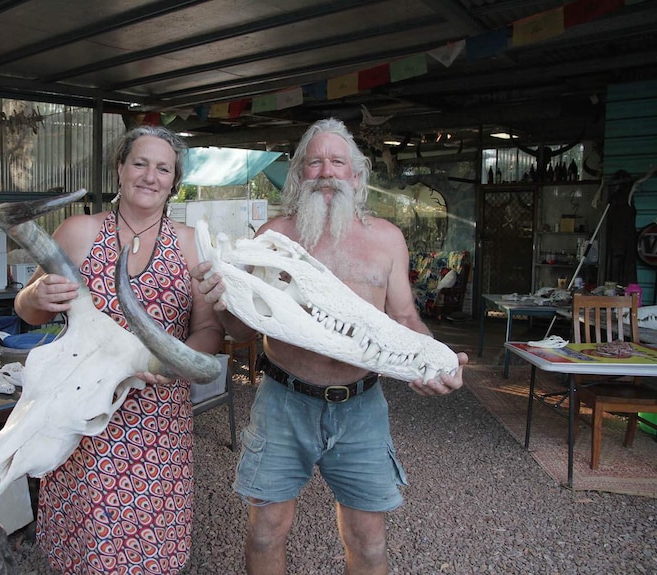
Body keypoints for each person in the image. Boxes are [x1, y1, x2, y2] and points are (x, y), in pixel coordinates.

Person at [193, 118, 468, 574]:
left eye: (337, 161)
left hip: (361, 406)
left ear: (356, 176)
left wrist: (431, 361)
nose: (326, 171)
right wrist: (221, 301)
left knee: (369, 541)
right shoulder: (272, 238)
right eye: (315, 162)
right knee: (265, 532)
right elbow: (241, 330)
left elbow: (404, 318)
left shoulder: (387, 239)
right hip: (283, 400)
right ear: (300, 174)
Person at [14, 125, 224, 574]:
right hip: (84, 413)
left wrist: (170, 359)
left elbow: (209, 330)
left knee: (152, 538)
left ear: (174, 179)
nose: (150, 176)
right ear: (120, 169)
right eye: (140, 163)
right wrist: (33, 298)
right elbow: (28, 310)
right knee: (90, 539)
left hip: (157, 416)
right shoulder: (79, 231)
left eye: (163, 168)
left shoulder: (190, 244)